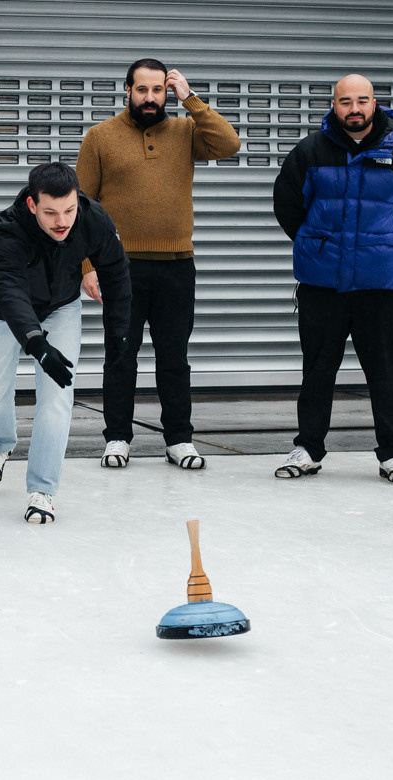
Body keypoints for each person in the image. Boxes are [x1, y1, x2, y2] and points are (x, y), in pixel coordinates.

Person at [272, 74, 393, 484]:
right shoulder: (310, 151)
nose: (354, 109)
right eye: (345, 101)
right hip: (322, 283)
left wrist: (390, 249)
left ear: (374, 102)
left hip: (379, 285)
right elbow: (288, 204)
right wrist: (318, 245)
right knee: (317, 370)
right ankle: (308, 448)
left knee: (384, 371)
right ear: (334, 105)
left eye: (362, 100)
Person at [76, 58, 240, 471]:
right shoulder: (100, 137)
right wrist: (86, 267)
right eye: (142, 90)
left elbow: (229, 144)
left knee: (174, 357)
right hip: (120, 267)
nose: (150, 98)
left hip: (176, 266)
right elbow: (78, 208)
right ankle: (117, 437)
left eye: (158, 90)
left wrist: (192, 100)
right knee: (120, 356)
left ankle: (179, 440)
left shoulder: (187, 131)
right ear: (127, 91)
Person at [0, 162, 130, 524]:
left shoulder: (94, 220)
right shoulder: (9, 228)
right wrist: (37, 345)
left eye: (69, 210)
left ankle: (42, 490)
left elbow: (117, 275)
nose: (62, 221)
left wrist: (120, 335)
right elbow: (9, 290)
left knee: (58, 396)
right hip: (2, 311)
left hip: (61, 306)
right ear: (32, 205)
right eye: (50, 212)